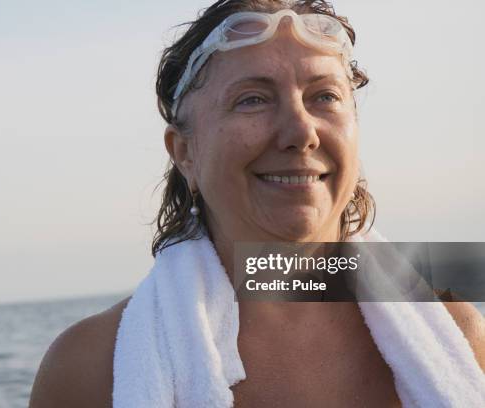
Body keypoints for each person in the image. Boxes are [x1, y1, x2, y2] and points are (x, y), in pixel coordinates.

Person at [29, 1, 485, 407]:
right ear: (184, 152)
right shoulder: (91, 368)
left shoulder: (456, 334)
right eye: (253, 100)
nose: (301, 132)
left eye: (324, 96)